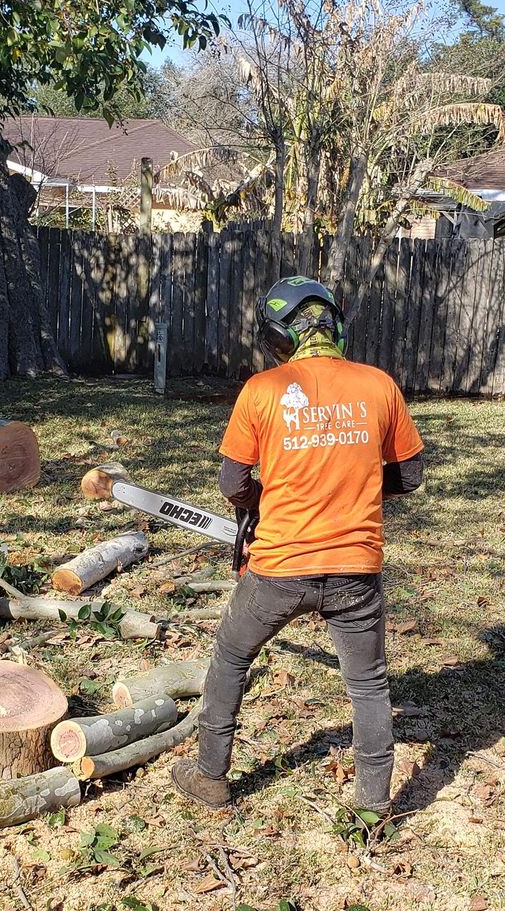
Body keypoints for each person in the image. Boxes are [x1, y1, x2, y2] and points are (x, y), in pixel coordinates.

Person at [171, 276, 424, 815]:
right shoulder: (378, 385)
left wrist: (263, 501)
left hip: (278, 567)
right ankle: (372, 805)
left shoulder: (262, 391)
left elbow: (233, 480)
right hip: (355, 570)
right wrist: (358, 486)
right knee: (369, 683)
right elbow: (411, 473)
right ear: (335, 324)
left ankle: (211, 775)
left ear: (279, 335)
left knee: (232, 657)